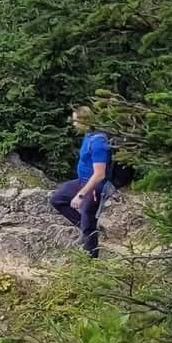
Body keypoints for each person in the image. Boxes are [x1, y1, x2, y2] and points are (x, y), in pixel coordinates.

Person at [50, 107, 112, 257]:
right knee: (57, 199)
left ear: (84, 121)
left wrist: (81, 195)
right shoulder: (88, 135)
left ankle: (91, 263)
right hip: (82, 181)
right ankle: (87, 228)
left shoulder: (99, 143)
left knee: (88, 219)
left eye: (76, 120)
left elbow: (99, 174)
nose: (73, 124)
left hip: (94, 187)